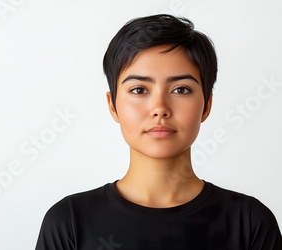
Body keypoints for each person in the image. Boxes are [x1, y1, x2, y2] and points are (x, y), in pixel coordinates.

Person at [35, 14, 282, 249]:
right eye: (139, 90)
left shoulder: (249, 223)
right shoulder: (69, 223)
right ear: (113, 106)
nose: (160, 109)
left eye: (181, 89)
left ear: (206, 105)